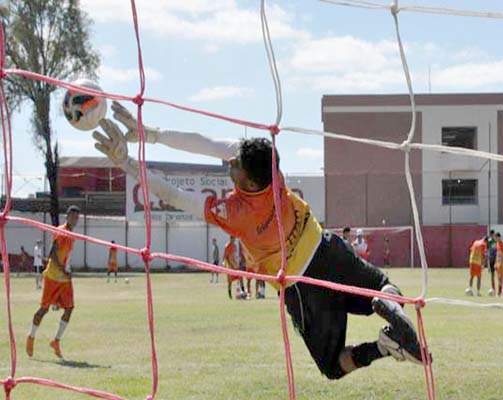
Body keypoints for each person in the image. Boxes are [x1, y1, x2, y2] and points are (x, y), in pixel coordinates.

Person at [93, 103, 430, 379]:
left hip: (301, 285)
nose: (231, 162)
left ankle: (381, 348)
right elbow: (207, 143)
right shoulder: (271, 168)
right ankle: (391, 313)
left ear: (250, 182)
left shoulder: (235, 212)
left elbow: (174, 195)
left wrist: (126, 162)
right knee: (383, 285)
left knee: (332, 366)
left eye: (235, 165)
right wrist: (151, 135)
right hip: (326, 248)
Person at [26, 205, 80, 358]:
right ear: (67, 216)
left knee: (69, 308)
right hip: (53, 276)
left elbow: (65, 257)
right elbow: (52, 254)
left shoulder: (72, 236)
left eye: (77, 217)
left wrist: (68, 270)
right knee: (44, 309)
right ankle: (31, 336)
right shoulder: (61, 231)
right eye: (73, 216)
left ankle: (56, 341)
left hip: (64, 278)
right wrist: (63, 270)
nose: (75, 220)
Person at [494, 233, 503, 297]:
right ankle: (499, 293)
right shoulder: (497, 244)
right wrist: (495, 264)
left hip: (501, 264)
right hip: (498, 263)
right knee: (499, 278)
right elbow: (497, 254)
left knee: (502, 278)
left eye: (496, 238)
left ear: (499, 237)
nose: (495, 239)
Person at [486, 229, 496, 295]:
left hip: (495, 259)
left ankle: (499, 289)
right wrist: (488, 264)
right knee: (492, 275)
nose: (492, 236)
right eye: (492, 234)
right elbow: (488, 251)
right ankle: (493, 288)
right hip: (492, 259)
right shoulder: (490, 241)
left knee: (496, 275)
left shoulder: (495, 241)